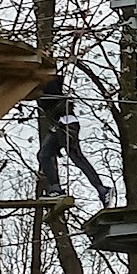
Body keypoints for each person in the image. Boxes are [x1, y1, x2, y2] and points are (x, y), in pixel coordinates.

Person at [37, 75, 115, 208]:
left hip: (66, 125)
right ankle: (56, 189)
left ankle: (102, 190)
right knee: (44, 155)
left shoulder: (48, 84)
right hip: (58, 126)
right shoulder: (42, 86)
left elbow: (54, 87)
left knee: (76, 157)